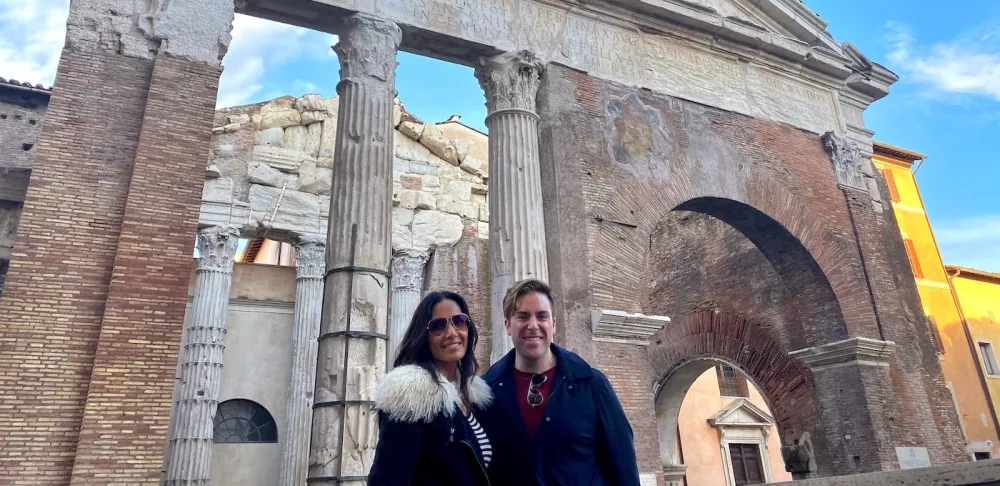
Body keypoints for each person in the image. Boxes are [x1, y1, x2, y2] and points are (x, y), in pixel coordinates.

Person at [484, 279, 641, 486]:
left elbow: (624, 467)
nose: (533, 325)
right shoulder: (487, 392)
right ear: (507, 325)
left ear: (553, 324)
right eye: (522, 316)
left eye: (542, 316)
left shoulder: (592, 385)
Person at [368, 291, 495, 486]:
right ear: (423, 336)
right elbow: (388, 479)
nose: (452, 333)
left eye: (459, 321)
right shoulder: (412, 396)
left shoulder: (474, 397)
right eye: (438, 326)